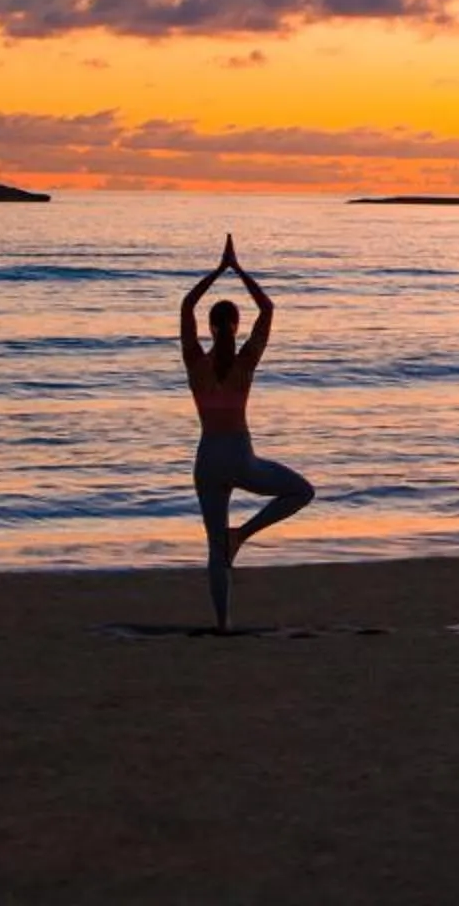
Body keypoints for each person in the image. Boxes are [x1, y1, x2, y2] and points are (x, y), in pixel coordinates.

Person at [180, 235, 315, 630]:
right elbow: (268, 308)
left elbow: (186, 305)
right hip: (239, 456)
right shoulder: (245, 363)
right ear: (236, 328)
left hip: (207, 460)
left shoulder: (195, 362)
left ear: (210, 327)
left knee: (213, 549)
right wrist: (238, 271)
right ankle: (243, 534)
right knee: (301, 492)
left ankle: (222, 624)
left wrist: (216, 272)